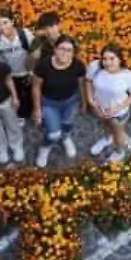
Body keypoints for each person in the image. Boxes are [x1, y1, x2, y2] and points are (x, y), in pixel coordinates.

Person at [32, 35, 86, 166]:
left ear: (73, 52)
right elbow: (36, 87)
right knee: (53, 133)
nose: (65, 53)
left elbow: (81, 84)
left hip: (71, 102)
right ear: (55, 49)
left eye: (69, 50)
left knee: (67, 124)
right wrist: (37, 109)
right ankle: (45, 147)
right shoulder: (43, 65)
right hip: (49, 103)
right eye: (62, 48)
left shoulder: (78, 65)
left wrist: (84, 102)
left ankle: (65, 138)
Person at [84, 44, 131, 162]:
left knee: (118, 133)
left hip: (118, 113)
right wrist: (90, 100)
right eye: (104, 59)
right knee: (105, 125)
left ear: (120, 59)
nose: (107, 63)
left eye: (112, 59)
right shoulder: (95, 67)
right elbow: (88, 81)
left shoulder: (128, 76)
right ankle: (106, 139)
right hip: (100, 108)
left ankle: (119, 151)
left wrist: (117, 108)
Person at [0, 11, 35, 119]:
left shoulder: (24, 34)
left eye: (5, 22)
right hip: (9, 75)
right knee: (14, 97)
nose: (2, 27)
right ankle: (19, 115)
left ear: (12, 22)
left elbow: (35, 53)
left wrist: (32, 72)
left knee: (28, 97)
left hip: (26, 73)